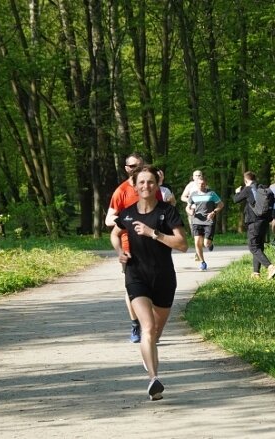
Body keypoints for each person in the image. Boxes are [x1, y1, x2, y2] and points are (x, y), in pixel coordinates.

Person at [110, 165, 188, 401]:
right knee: (147, 327)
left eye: (150, 182)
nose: (146, 186)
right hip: (136, 276)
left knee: (155, 332)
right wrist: (119, 253)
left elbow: (183, 245)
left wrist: (153, 233)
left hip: (164, 278)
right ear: (134, 185)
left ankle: (149, 353)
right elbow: (115, 234)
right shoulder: (127, 213)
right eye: (141, 182)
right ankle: (154, 380)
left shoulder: (168, 212)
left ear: (157, 185)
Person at [105, 153, 163, 343]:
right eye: (131, 166)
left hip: (154, 244)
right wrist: (128, 220)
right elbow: (108, 220)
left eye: (138, 165)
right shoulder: (121, 191)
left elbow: (162, 212)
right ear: (126, 168)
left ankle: (150, 324)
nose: (134, 168)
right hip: (130, 247)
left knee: (155, 288)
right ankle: (136, 324)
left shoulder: (153, 188)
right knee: (133, 288)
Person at [232, 171, 275, 279]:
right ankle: (256, 273)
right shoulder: (263, 188)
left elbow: (236, 200)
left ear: (246, 180)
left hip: (254, 221)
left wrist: (237, 192)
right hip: (264, 221)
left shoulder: (248, 189)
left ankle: (270, 267)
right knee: (259, 246)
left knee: (253, 247)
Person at [185, 176, 223, 271]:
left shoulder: (211, 193)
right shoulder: (193, 194)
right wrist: (190, 212)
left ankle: (210, 245)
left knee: (206, 244)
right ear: (196, 184)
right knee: (197, 242)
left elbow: (221, 204)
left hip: (209, 221)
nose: (201, 185)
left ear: (206, 184)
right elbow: (187, 207)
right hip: (196, 221)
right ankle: (203, 262)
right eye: (199, 184)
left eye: (203, 184)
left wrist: (214, 212)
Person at [180, 170, 204, 260]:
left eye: (199, 175)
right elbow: (182, 197)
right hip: (192, 211)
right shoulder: (190, 185)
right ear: (193, 177)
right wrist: (190, 200)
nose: (198, 177)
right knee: (195, 232)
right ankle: (197, 253)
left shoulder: (204, 184)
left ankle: (205, 243)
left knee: (203, 232)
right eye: (196, 175)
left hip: (204, 211)